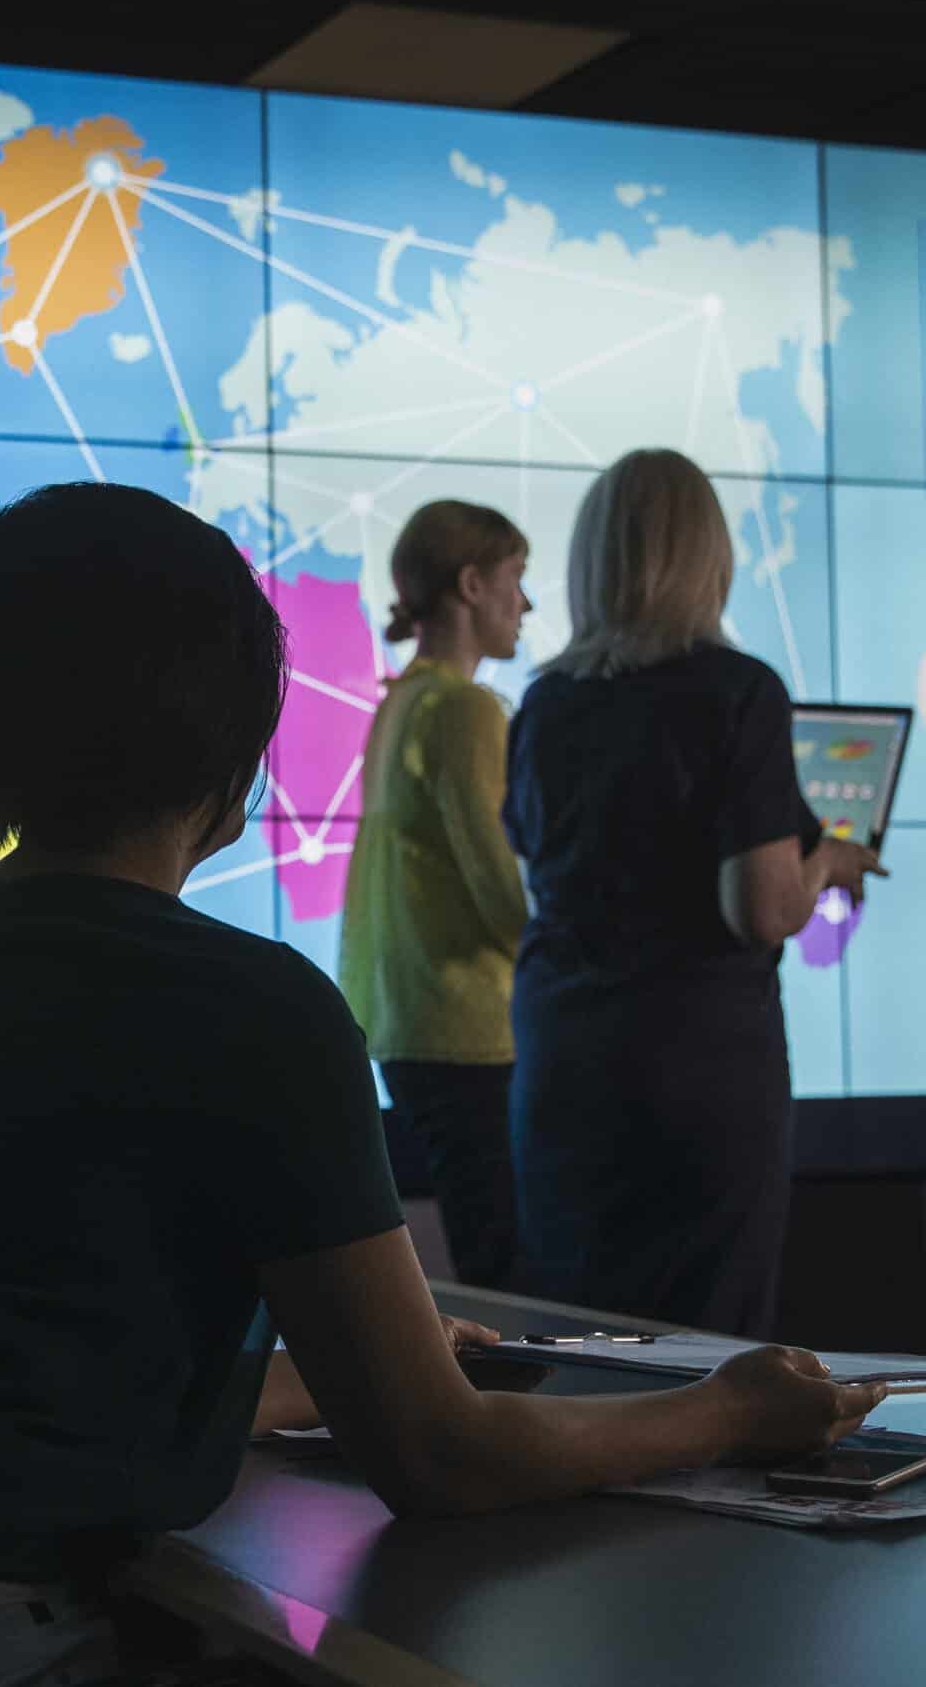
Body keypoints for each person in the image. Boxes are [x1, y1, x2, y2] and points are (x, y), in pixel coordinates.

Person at [0, 482, 884, 1687]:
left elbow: (16, 1387)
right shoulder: (250, 1007)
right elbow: (441, 1459)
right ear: (235, 750)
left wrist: (320, 1378)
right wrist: (730, 1411)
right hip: (10, 1644)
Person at [503, 449, 886, 1338]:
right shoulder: (738, 692)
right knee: (701, 1350)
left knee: (580, 1341)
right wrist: (829, 860)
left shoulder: (545, 702)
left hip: (563, 1062)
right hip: (696, 1072)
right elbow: (759, 909)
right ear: (708, 556)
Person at [337, 500, 533, 1290]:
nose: (525, 603)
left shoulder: (403, 698)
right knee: (512, 1264)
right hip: (469, 1024)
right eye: (517, 579)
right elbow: (498, 881)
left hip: (408, 1020)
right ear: (472, 583)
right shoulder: (463, 706)